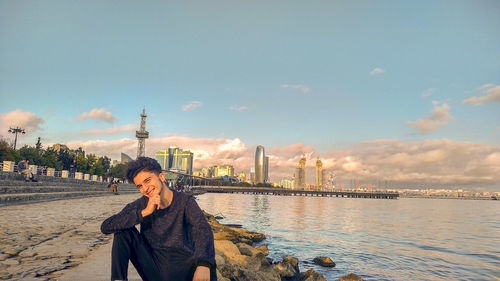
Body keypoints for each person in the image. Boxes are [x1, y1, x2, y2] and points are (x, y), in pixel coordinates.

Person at [101, 157, 216, 281]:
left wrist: (203, 264)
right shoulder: (141, 205)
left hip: (184, 267)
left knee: (207, 263)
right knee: (122, 231)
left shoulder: (185, 201)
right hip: (154, 267)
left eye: (147, 180)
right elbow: (106, 226)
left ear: (161, 177)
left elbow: (202, 229)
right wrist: (144, 212)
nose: (145, 188)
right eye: (140, 186)